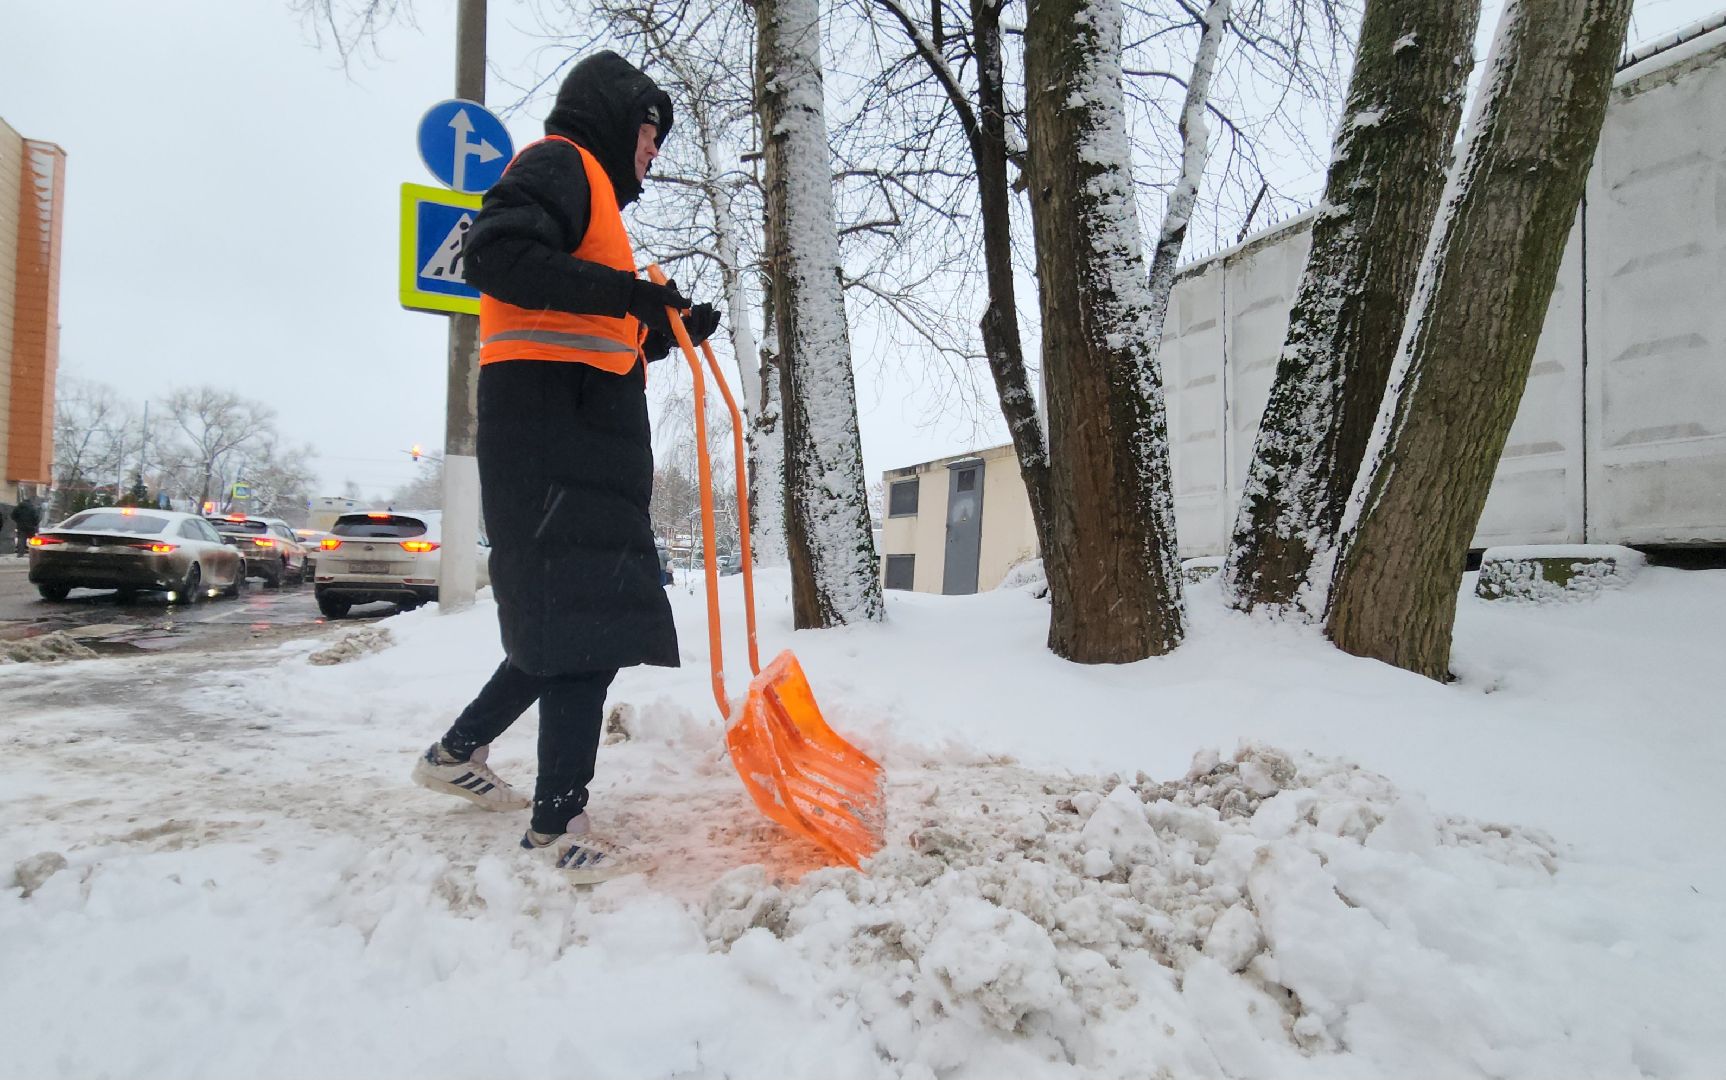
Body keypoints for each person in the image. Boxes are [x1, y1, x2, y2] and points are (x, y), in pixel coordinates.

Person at [410, 51, 721, 883]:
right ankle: (557, 824)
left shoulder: (596, 207)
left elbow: (589, 325)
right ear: (618, 118)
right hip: (552, 440)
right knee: (584, 625)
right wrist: (627, 297)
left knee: (565, 618)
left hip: (570, 438)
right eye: (650, 131)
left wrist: (665, 326)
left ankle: (458, 749)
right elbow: (498, 255)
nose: (654, 150)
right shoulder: (561, 163)